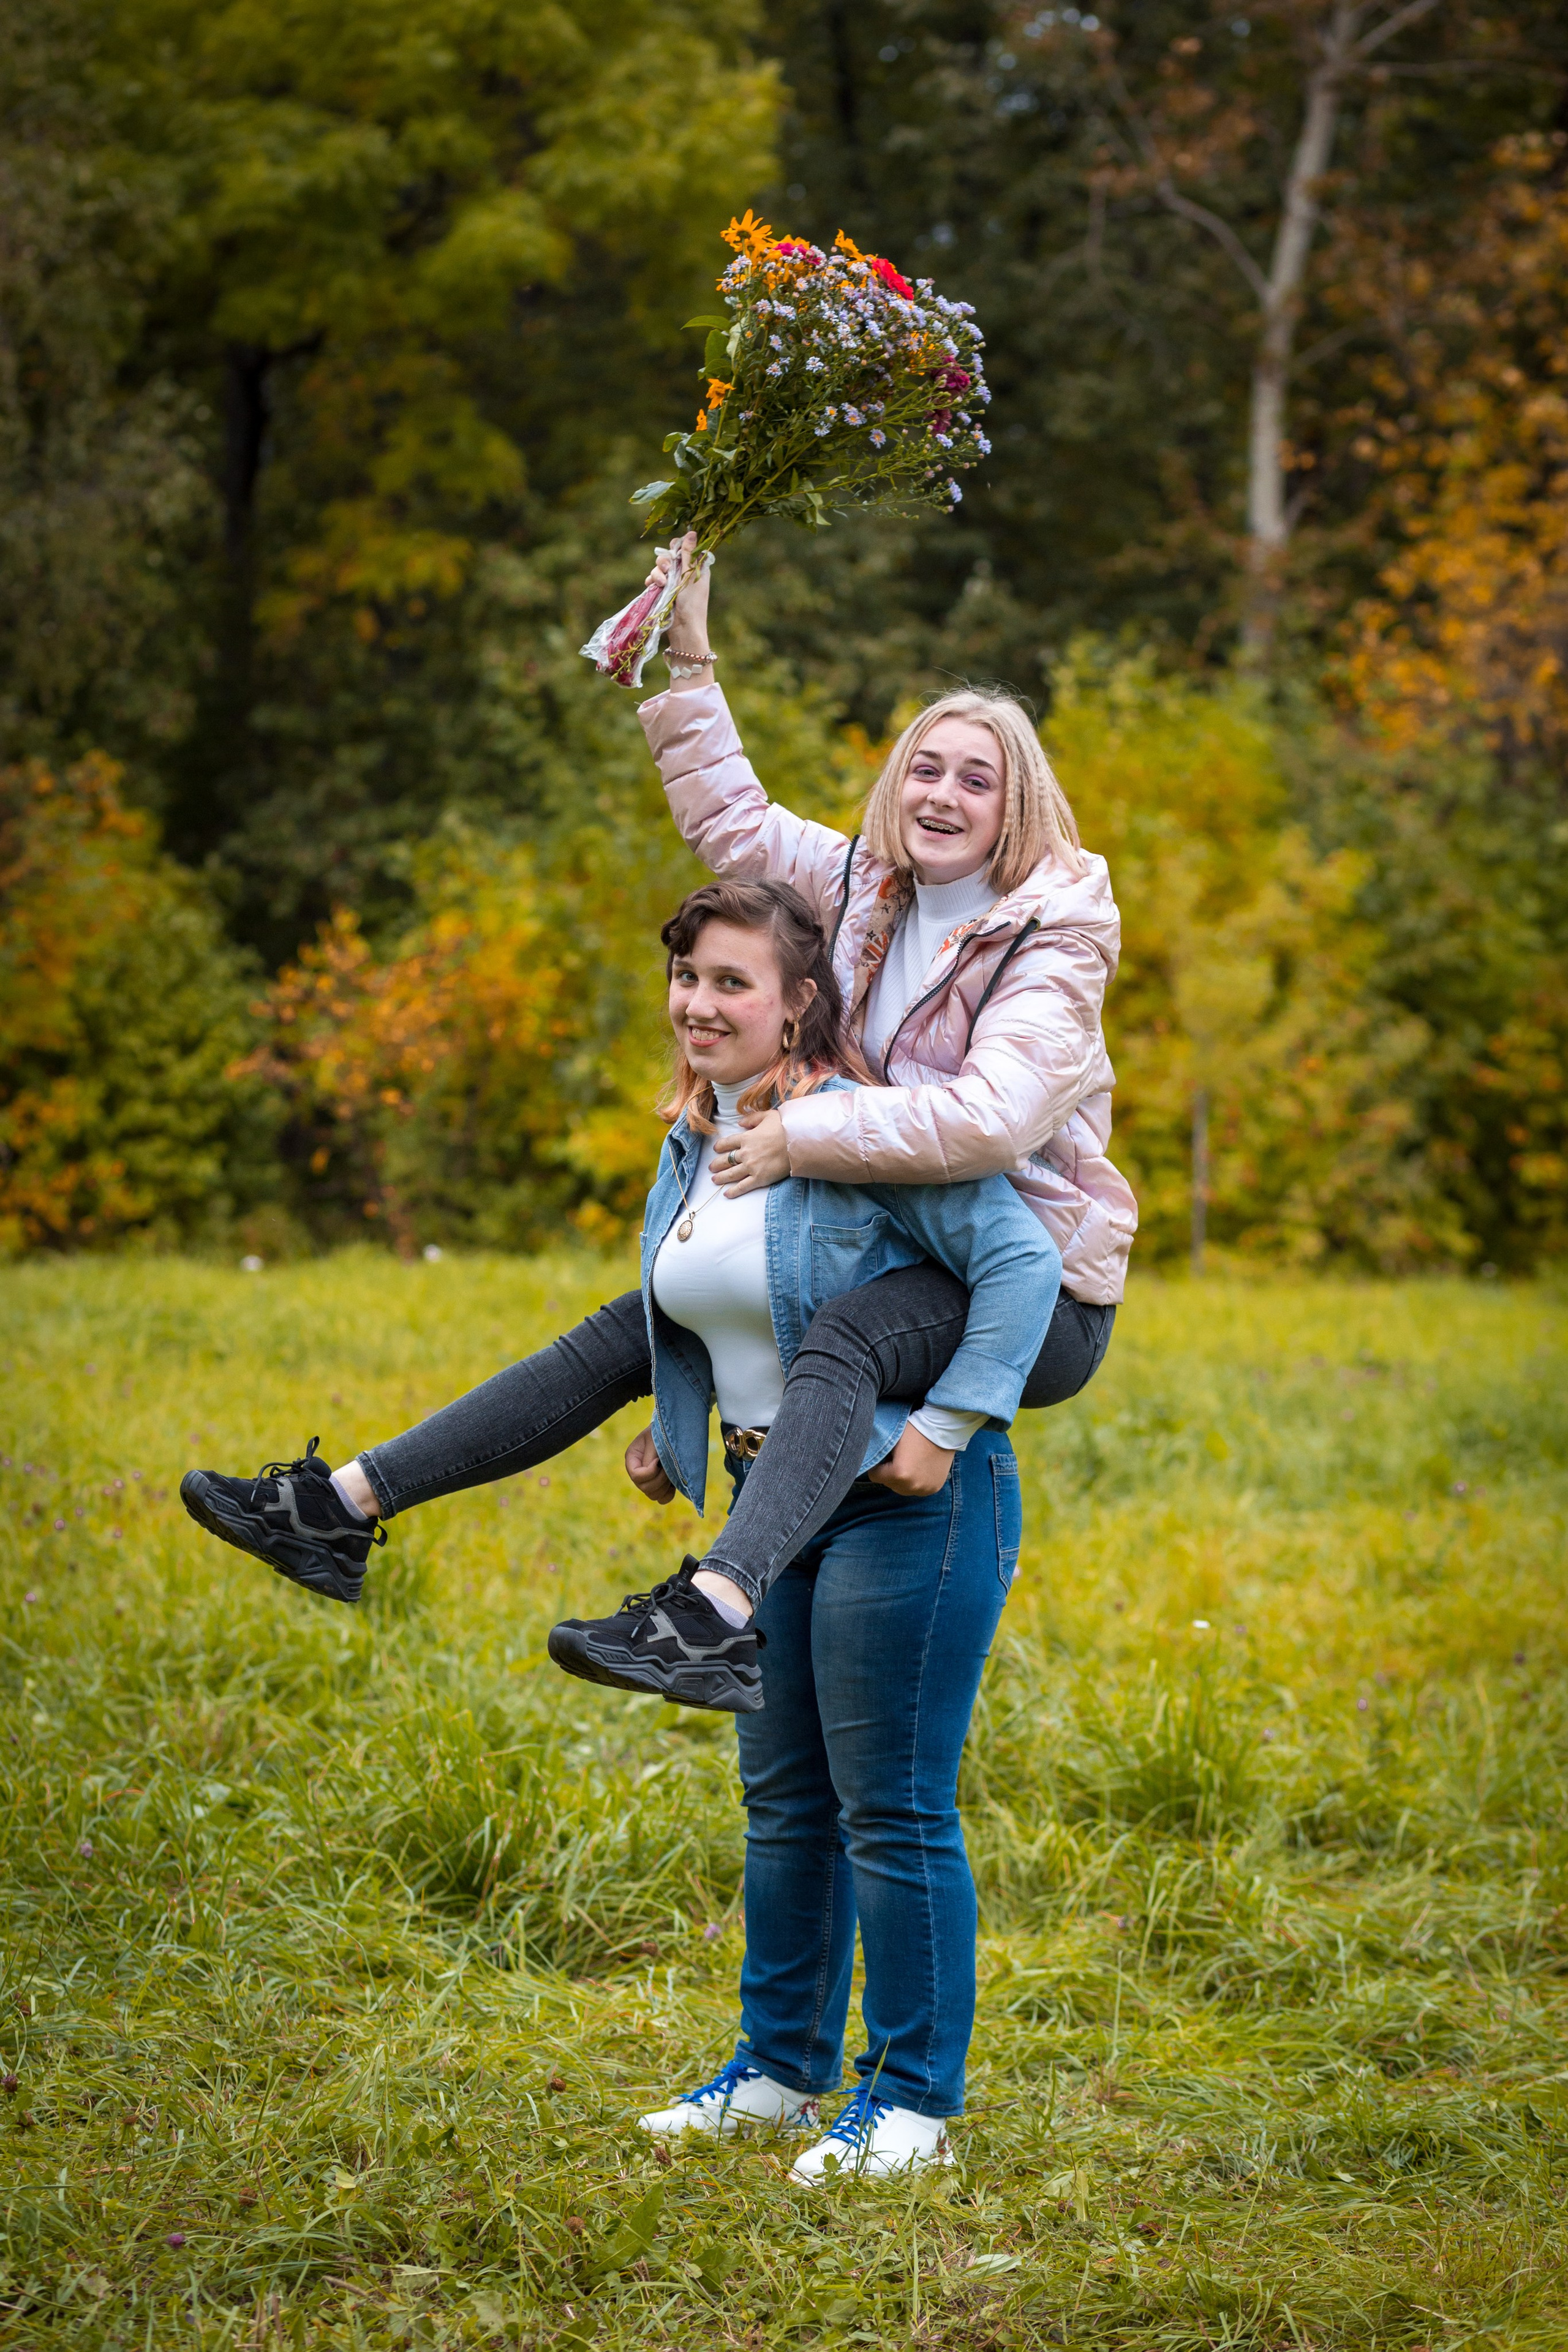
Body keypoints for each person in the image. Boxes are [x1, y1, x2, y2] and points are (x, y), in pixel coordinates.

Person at [181, 880, 1058, 1730]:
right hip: (769, 1501)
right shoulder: (692, 1140)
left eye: (731, 983)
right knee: (786, 1815)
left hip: (893, 1500)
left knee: (889, 1812)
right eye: (687, 977)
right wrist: (682, 1422)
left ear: (796, 1005)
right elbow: (724, 1311)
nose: (698, 1004)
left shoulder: (857, 1128)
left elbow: (1024, 1262)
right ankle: (341, 1505)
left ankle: (703, 1614)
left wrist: (947, 1425)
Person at [578, 532, 1137, 1638]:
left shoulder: (1057, 940)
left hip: (1028, 1279)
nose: (942, 793)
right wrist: (693, 663)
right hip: (901, 1245)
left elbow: (993, 1120)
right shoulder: (865, 887)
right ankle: (352, 1499)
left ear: (1014, 806)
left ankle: (715, 1608)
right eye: (925, 768)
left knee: (843, 1341)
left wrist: (804, 1139)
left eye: (976, 779)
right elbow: (733, 826)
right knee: (630, 1320)